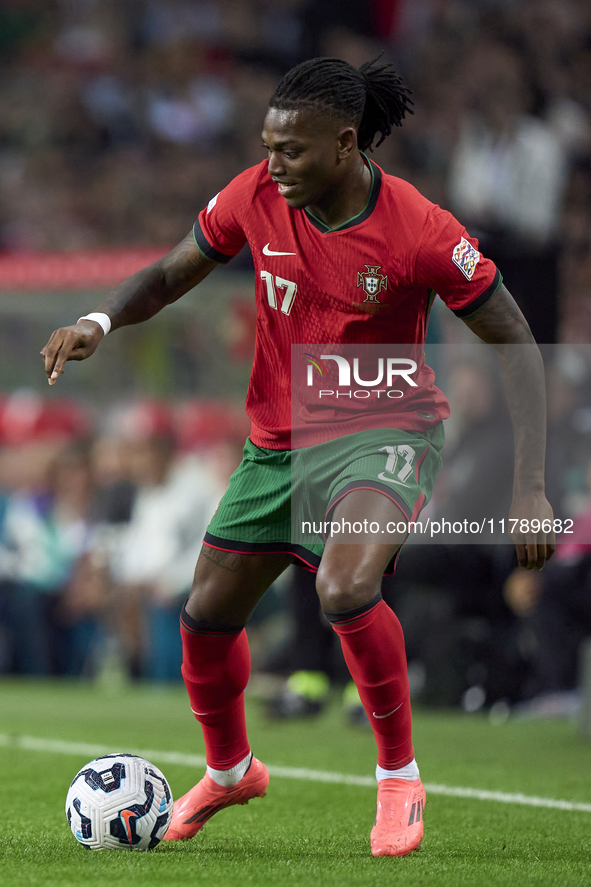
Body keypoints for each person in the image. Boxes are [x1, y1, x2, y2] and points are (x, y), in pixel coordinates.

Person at [41, 56, 555, 858]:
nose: (272, 164)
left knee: (344, 586)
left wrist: (529, 485)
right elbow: (172, 274)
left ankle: (398, 777)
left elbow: (517, 341)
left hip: (386, 430)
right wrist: (97, 323)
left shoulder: (420, 229)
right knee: (205, 614)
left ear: (345, 145)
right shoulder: (254, 195)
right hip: (277, 443)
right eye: (267, 147)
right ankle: (231, 768)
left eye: (291, 151)